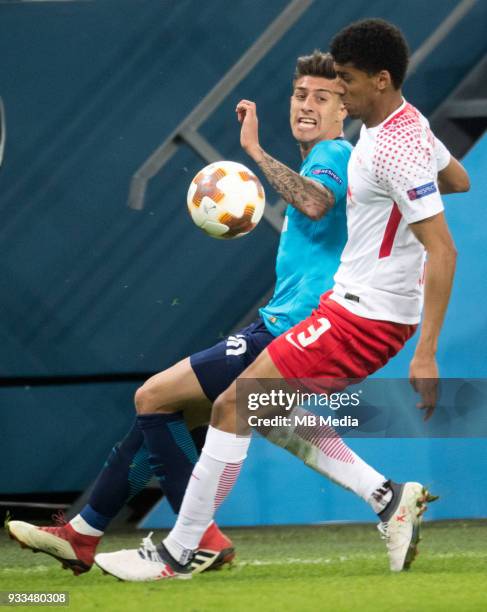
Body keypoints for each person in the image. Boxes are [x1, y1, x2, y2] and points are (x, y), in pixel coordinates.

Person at [92, 18, 470, 581]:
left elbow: (443, 250)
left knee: (232, 407)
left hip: (365, 316)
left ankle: (180, 553)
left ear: (382, 79)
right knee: (265, 410)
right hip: (349, 307)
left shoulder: (391, 146)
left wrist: (427, 353)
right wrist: (407, 193)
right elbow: (458, 180)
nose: (339, 91)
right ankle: (388, 499)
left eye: (345, 81)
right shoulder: (406, 127)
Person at [6, 51, 353, 576]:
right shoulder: (316, 157)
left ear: (342, 109)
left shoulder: (335, 154)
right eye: (300, 94)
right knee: (167, 414)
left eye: (322, 97)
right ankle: (83, 533)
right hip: (278, 322)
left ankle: (200, 538)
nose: (307, 105)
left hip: (295, 330)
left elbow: (316, 203)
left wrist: (254, 150)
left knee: (153, 396)